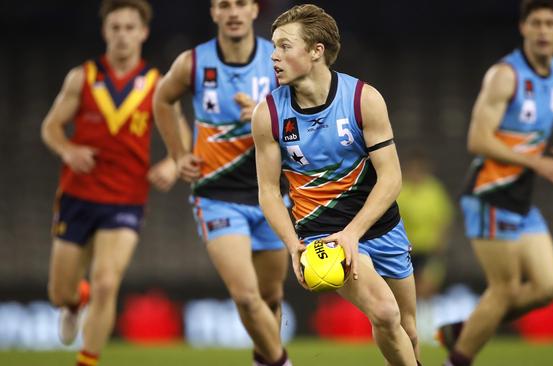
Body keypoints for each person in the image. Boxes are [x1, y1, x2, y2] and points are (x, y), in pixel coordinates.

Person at [252, 4, 421, 366]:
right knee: (386, 314)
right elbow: (267, 190)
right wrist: (292, 245)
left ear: (317, 51)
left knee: (409, 330)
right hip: (322, 235)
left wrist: (354, 232)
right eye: (273, 47)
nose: (274, 56)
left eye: (285, 46)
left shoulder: (364, 99)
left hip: (381, 226)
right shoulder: (268, 114)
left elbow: (391, 178)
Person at [437, 1, 553, 365]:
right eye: (535, 22)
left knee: (548, 288)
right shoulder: (505, 75)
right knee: (504, 290)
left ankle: (463, 329)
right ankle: (456, 358)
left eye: (551, 23)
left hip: (521, 197)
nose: (543, 30)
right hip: (490, 192)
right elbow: (477, 139)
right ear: (523, 27)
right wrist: (537, 162)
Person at [41, 1, 187, 365]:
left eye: (129, 27)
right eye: (115, 27)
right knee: (60, 293)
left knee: (108, 282)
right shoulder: (84, 77)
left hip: (126, 198)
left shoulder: (156, 85)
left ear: (143, 32)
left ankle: (87, 360)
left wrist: (171, 163)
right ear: (105, 32)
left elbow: (181, 136)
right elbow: (50, 127)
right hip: (77, 194)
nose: (122, 35)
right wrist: (68, 149)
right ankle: (75, 301)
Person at [153, 1, 291, 365]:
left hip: (271, 194)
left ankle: (265, 359)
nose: (232, 12)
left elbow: (305, 115)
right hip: (217, 194)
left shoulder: (278, 59)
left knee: (271, 296)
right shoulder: (193, 63)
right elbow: (162, 100)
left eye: (240, 4)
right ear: (213, 12)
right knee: (246, 296)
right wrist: (179, 154)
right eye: (223, 5)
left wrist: (267, 113)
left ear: (253, 10)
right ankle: (281, 362)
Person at [397, 150, 454, 299]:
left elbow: (444, 219)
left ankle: (429, 318)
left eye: (420, 169)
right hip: (407, 250)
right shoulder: (401, 191)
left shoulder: (434, 191)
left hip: (430, 249)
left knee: (428, 287)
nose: (416, 173)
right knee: (408, 289)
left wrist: (441, 244)